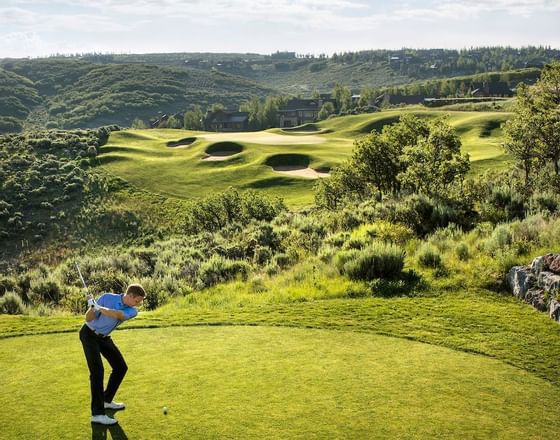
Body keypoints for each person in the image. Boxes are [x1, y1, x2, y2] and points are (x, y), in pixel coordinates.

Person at [79, 283, 146, 425]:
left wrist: (99, 308)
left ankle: (106, 400)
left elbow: (118, 315)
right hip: (89, 335)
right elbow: (88, 318)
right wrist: (92, 307)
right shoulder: (107, 297)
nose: (138, 304)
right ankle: (97, 414)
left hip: (103, 337)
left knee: (121, 367)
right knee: (97, 372)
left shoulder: (132, 311)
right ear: (130, 296)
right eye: (137, 301)